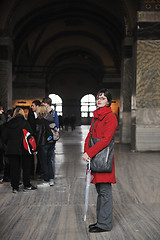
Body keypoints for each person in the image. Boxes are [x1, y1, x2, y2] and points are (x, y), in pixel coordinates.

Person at [82, 89, 118, 233]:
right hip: (94, 156)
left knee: (104, 191)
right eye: (98, 98)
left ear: (108, 101)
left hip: (103, 159)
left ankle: (104, 224)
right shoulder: (96, 117)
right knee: (100, 190)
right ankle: (100, 221)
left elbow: (106, 140)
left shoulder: (110, 117)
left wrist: (89, 152)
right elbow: (89, 136)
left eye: (102, 98)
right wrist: (86, 152)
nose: (99, 100)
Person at [2, 107, 37, 193]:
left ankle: (15, 187)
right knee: (26, 167)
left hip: (11, 149)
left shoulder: (8, 124)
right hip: (24, 148)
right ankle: (27, 185)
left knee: (14, 168)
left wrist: (9, 144)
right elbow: (30, 135)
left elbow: (4, 137)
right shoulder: (25, 123)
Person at [35, 105, 55, 187]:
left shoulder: (38, 121)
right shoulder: (49, 119)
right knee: (49, 161)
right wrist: (49, 140)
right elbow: (51, 133)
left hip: (42, 145)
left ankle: (46, 180)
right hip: (50, 144)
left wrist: (36, 146)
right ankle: (51, 180)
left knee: (44, 163)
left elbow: (38, 134)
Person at [42, 97, 59, 183]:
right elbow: (57, 125)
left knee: (48, 158)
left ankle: (48, 177)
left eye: (43, 103)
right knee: (50, 158)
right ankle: (50, 177)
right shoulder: (54, 113)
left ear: (46, 103)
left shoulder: (46, 113)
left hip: (48, 138)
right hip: (52, 138)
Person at [28, 100, 41, 177]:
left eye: (33, 106)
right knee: (30, 154)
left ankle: (39, 172)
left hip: (39, 137)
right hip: (32, 137)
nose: (32, 107)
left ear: (37, 106)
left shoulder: (41, 114)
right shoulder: (30, 114)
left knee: (40, 155)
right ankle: (31, 173)